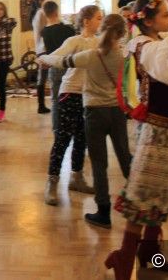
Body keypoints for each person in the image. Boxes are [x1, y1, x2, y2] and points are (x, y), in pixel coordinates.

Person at [106, 0, 168, 280]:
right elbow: (167, 69)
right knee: (143, 193)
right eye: (164, 15)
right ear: (147, 21)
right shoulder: (144, 46)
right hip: (154, 130)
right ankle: (124, 257)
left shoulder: (158, 42)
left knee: (161, 192)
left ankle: (148, 250)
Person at [47, 14, 132, 228]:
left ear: (102, 29)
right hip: (116, 111)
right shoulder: (124, 55)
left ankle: (103, 211)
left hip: (95, 111)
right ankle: (138, 202)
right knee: (125, 157)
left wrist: (43, 58)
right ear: (122, 33)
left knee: (98, 163)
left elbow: (61, 61)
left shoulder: (92, 55)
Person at [37, 5, 101, 205]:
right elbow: (57, 55)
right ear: (86, 21)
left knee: (82, 138)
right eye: (98, 18)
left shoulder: (100, 42)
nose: (101, 21)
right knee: (63, 138)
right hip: (70, 92)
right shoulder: (74, 41)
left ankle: (77, 178)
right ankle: (52, 183)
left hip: (88, 96)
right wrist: (43, 58)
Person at [39, 0, 76, 132]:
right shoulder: (68, 29)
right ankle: (70, 127)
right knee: (71, 99)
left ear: (45, 14)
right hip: (68, 66)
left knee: (55, 100)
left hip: (54, 68)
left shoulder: (44, 32)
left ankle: (57, 128)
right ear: (57, 12)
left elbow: (45, 51)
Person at [30, 0, 51, 113]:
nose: (48, 0)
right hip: (44, 48)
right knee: (43, 77)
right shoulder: (41, 13)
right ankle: (41, 105)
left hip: (40, 48)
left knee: (42, 77)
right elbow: (45, 31)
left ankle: (41, 105)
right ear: (40, 0)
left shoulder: (38, 13)